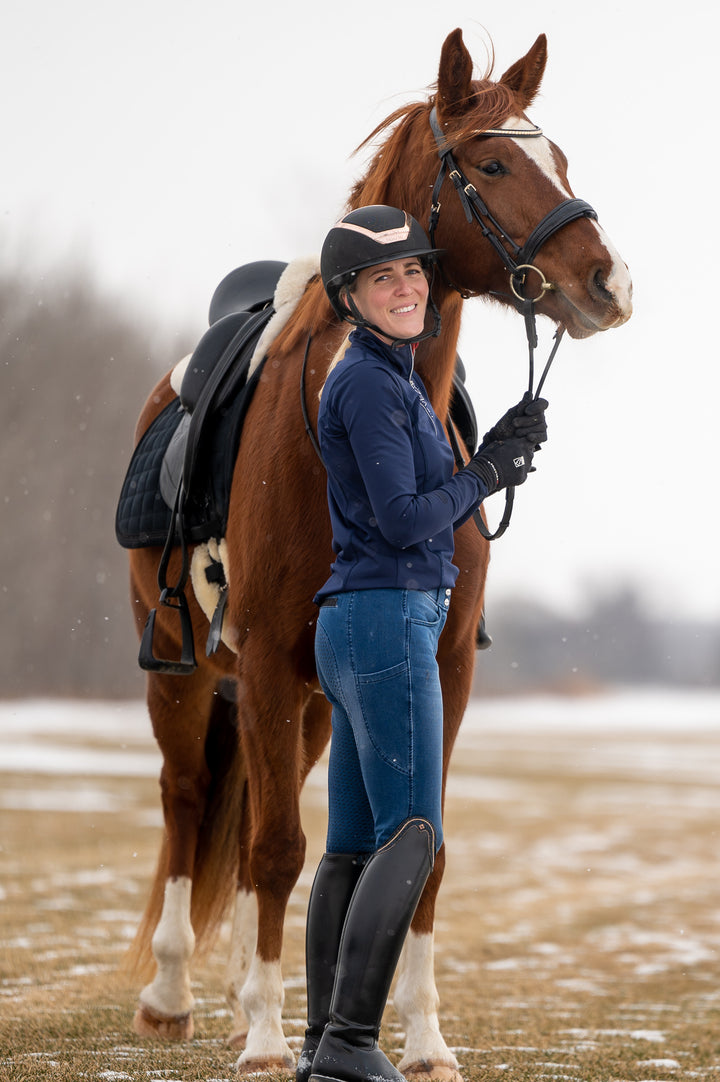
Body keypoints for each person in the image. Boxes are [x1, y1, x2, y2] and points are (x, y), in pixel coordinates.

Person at [298, 205, 548, 1082]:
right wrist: (483, 476)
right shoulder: (369, 383)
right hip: (387, 620)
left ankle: (321, 1043)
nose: (406, 287)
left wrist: (495, 451)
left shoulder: (392, 378)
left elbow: (421, 494)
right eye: (382, 277)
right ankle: (351, 1043)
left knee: (354, 843)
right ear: (349, 297)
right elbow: (406, 521)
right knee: (413, 832)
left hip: (360, 624)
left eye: (413, 270)